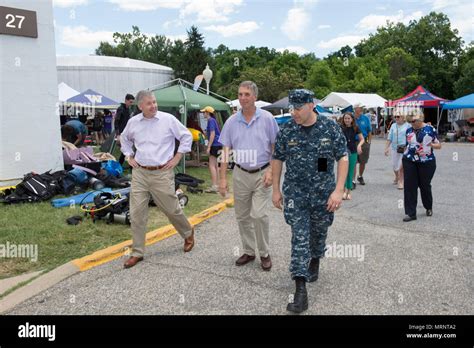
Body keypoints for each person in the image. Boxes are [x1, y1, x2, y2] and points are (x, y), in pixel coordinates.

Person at [272, 89, 348, 314]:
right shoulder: (287, 130)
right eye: (291, 108)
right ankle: (300, 290)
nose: (293, 112)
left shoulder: (330, 127)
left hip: (323, 195)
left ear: (311, 105)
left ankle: (315, 258)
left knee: (319, 233)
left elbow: (342, 157)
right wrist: (276, 190)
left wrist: (339, 190)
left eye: (297, 108)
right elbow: (277, 159)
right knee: (300, 237)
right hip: (296, 194)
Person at [120, 91, 195, 268]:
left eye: (154, 102)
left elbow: (186, 136)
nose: (153, 106)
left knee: (171, 209)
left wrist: (177, 158)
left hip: (162, 173)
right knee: (137, 214)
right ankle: (137, 252)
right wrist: (129, 156)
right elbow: (123, 139)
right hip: (139, 173)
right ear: (140, 106)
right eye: (149, 103)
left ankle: (187, 233)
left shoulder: (168, 120)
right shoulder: (133, 123)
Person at [218, 81, 279, 271]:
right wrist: (222, 179)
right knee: (242, 216)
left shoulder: (268, 118)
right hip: (240, 173)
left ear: (254, 97)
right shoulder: (231, 121)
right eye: (240, 94)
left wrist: (271, 171)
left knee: (259, 215)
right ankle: (249, 251)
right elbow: (225, 151)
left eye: (246, 94)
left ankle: (265, 253)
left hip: (262, 172)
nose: (242, 97)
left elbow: (276, 148)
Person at [402, 111, 441, 222]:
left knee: (424, 185)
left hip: (426, 161)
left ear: (420, 118)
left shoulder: (430, 129)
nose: (411, 123)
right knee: (410, 186)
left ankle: (428, 206)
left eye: (413, 121)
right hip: (410, 160)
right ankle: (411, 213)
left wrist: (432, 145)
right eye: (409, 121)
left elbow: (439, 145)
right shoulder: (409, 131)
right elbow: (407, 145)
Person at [339, 112, 363, 200]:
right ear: (343, 119)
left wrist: (359, 145)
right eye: (345, 118)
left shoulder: (355, 128)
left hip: (353, 151)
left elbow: (362, 139)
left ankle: (348, 191)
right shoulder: (340, 128)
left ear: (352, 119)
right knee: (343, 171)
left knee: (350, 171)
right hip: (343, 152)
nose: (347, 120)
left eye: (349, 118)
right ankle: (344, 190)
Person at [384, 112, 409, 190]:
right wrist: (386, 148)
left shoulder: (408, 125)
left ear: (403, 117)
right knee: (395, 166)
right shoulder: (393, 125)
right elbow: (389, 137)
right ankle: (397, 177)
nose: (396, 118)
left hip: (405, 148)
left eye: (398, 116)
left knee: (401, 165)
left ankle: (401, 182)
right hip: (395, 148)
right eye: (395, 116)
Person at [201, 106, 222, 193]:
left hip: (215, 144)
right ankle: (217, 185)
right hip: (218, 144)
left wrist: (209, 146)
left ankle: (214, 186)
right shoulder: (213, 120)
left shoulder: (210, 120)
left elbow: (213, 134)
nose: (203, 114)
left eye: (204, 112)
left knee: (211, 165)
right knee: (216, 165)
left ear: (207, 113)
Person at [352, 103, 372, 187]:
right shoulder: (351, 118)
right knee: (354, 161)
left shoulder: (365, 118)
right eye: (359, 108)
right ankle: (353, 180)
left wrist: (369, 141)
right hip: (353, 141)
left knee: (363, 161)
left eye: (361, 108)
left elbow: (369, 130)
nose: (361, 109)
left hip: (364, 141)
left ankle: (360, 176)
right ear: (355, 109)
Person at [115, 94, 135, 165]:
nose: (131, 104)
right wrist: (118, 135)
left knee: (126, 150)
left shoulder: (128, 110)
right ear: (126, 100)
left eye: (132, 102)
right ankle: (128, 165)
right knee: (126, 150)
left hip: (127, 133)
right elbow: (116, 122)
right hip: (121, 133)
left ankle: (122, 165)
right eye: (130, 102)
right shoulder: (121, 109)